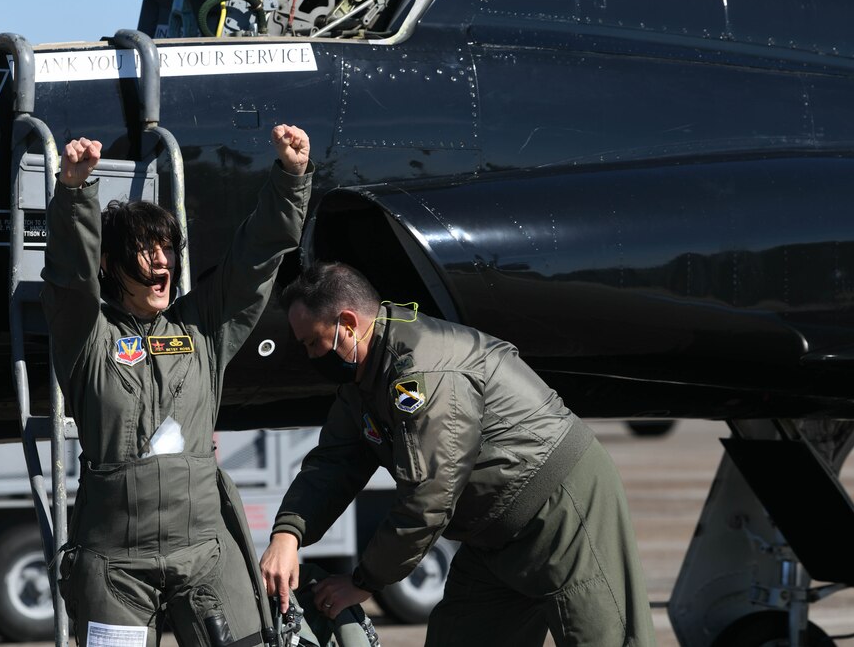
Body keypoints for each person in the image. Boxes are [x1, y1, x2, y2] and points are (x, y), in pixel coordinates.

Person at [260, 262, 656, 647]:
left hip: (561, 510)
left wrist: (363, 582)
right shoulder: (361, 382)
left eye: (314, 341)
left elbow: (428, 497)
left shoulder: (422, 373)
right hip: (491, 533)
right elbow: (334, 462)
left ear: (347, 324)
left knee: (603, 637)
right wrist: (288, 533)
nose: (312, 356)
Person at [42, 125, 312, 647]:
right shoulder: (88, 338)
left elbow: (253, 261)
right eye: (145, 251)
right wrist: (75, 194)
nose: (162, 261)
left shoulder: (201, 328)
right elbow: (70, 282)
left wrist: (289, 179)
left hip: (206, 550)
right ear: (111, 263)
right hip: (115, 560)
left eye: (167, 249)